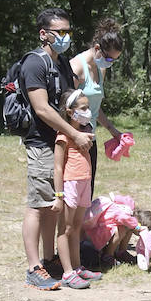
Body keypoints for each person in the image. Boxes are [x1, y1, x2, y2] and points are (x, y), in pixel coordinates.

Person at [20, 8, 88, 291]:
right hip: (40, 142)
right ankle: (33, 267)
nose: (65, 37)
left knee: (52, 206)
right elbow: (41, 108)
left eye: (68, 31)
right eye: (59, 32)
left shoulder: (61, 65)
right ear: (43, 34)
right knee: (37, 206)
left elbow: (70, 101)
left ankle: (50, 260)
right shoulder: (34, 64)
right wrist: (73, 133)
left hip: (61, 141)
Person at [68, 17, 125, 195]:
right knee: (73, 198)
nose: (110, 63)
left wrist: (112, 130)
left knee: (87, 194)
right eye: (109, 58)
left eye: (114, 60)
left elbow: (95, 106)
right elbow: (65, 108)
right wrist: (75, 136)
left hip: (90, 140)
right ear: (98, 48)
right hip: (74, 141)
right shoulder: (76, 68)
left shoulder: (101, 68)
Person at [52, 90, 99, 290]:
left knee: (77, 226)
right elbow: (58, 167)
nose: (88, 112)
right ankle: (67, 272)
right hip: (70, 184)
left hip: (84, 182)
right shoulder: (63, 136)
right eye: (83, 108)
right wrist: (59, 196)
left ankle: (77, 266)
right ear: (71, 112)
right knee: (66, 227)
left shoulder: (84, 134)